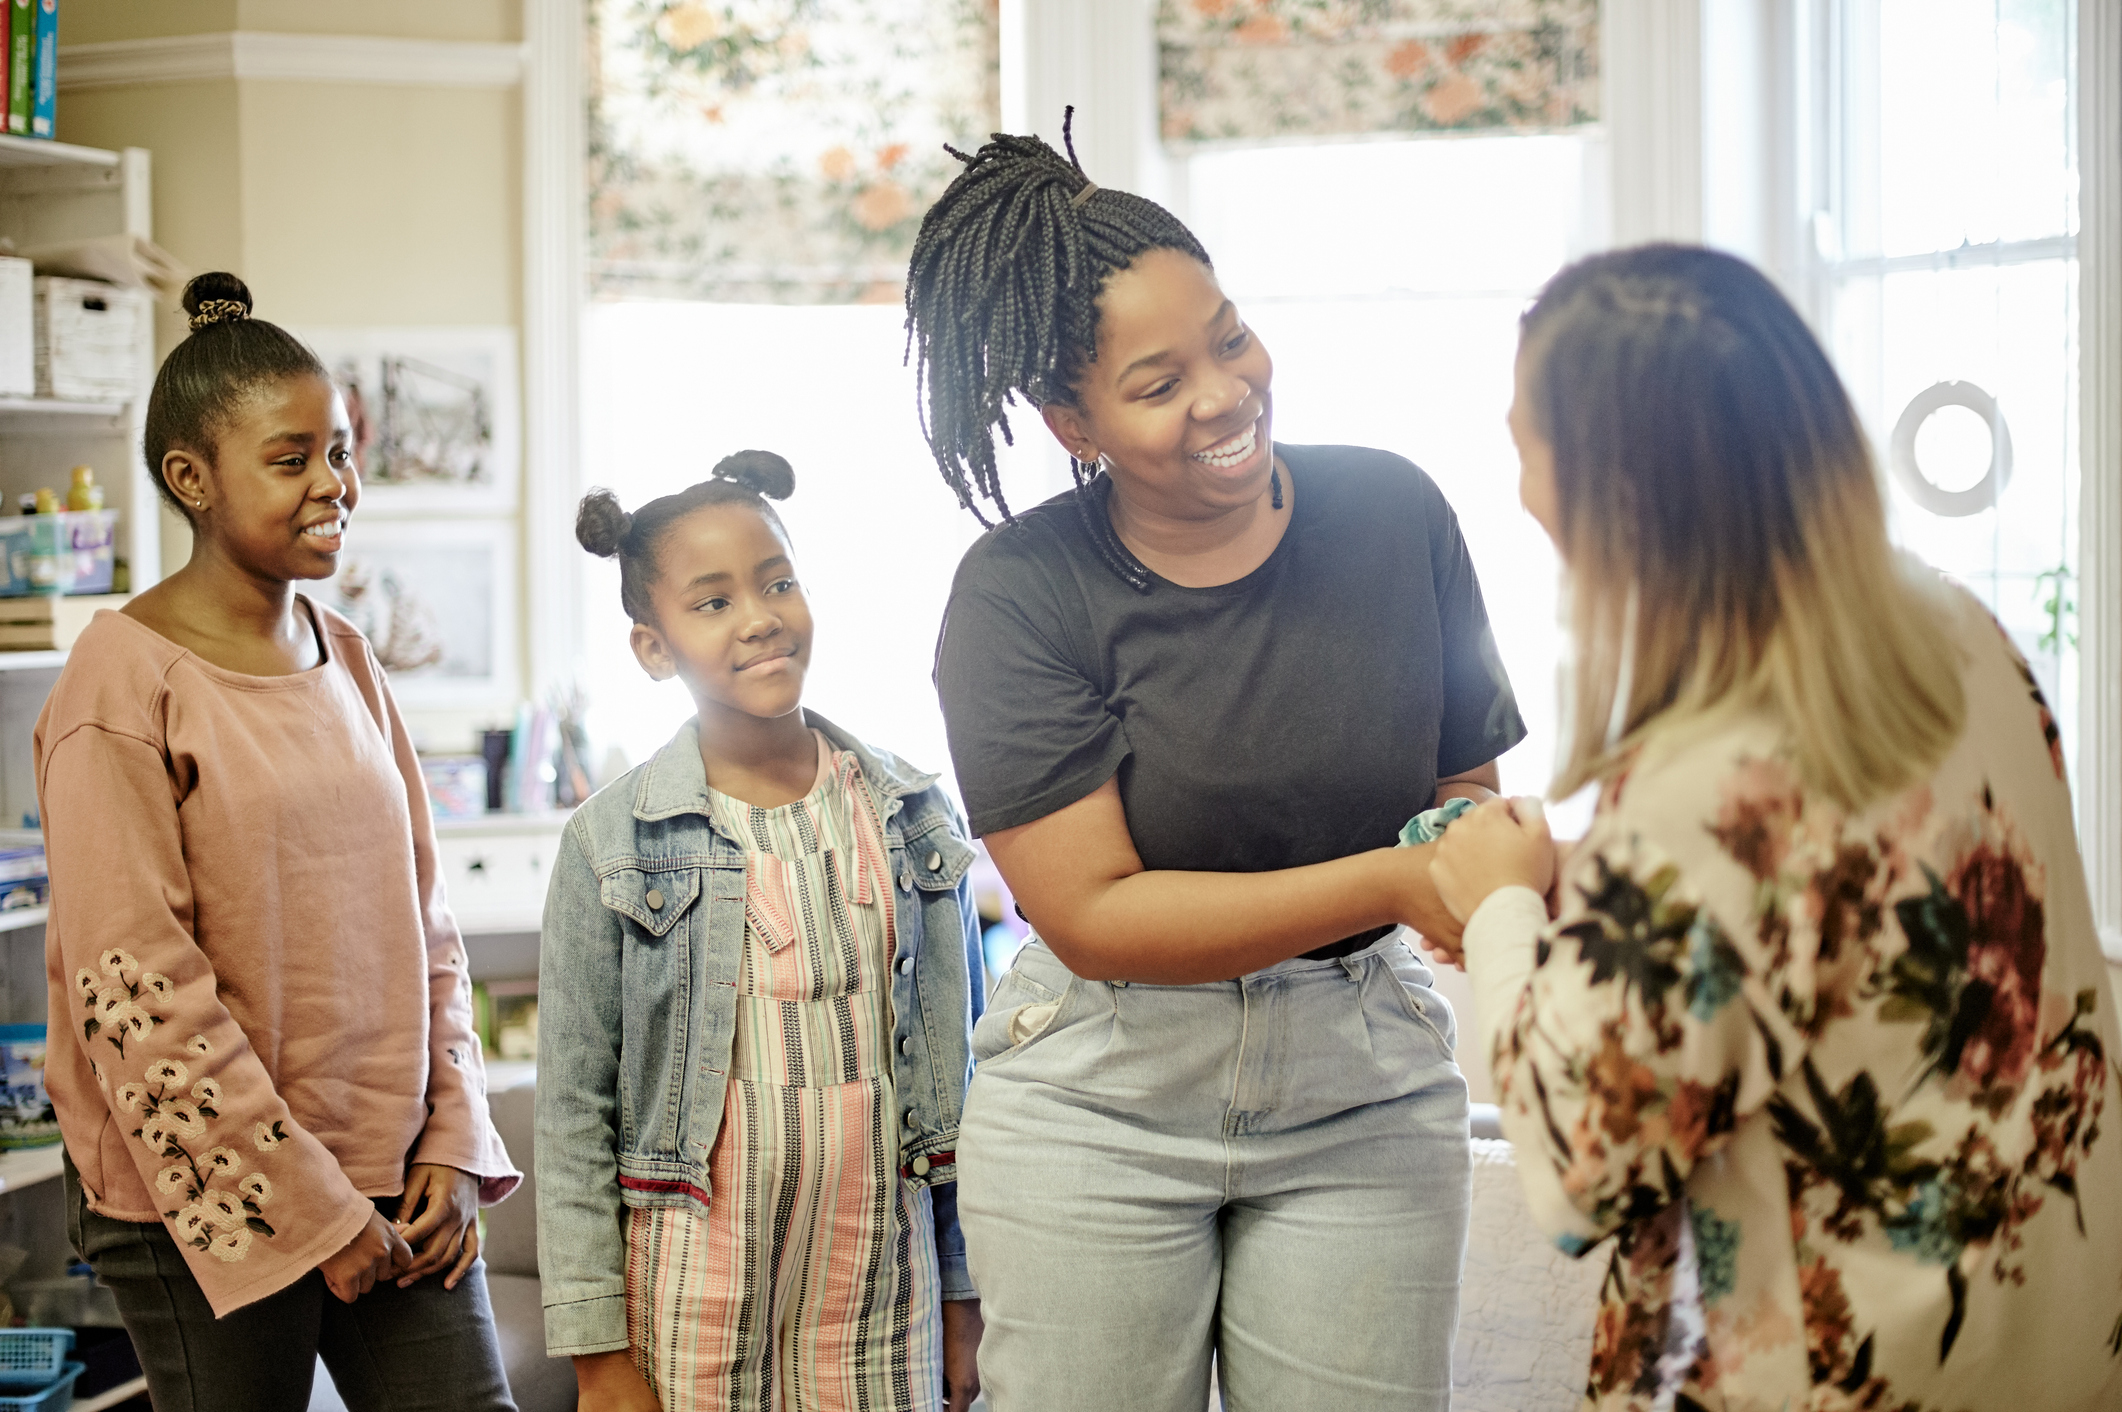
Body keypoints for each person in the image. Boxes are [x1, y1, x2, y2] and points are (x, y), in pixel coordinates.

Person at [1432, 244, 2122, 1412]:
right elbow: (1846, 889)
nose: (1518, 487)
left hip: (1836, 1362)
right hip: (2046, 1314)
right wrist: (1607, 889)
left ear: (1622, 493)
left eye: (1522, 446)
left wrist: (1501, 904)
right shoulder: (1952, 628)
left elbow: (1570, 1175)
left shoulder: (1705, 778)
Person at [906, 115, 1525, 1410]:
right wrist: (1397, 883)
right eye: (1156, 383)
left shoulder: (1394, 514)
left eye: (1229, 336)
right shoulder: (1017, 595)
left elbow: (1461, 785)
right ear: (1068, 417)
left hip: (1363, 1088)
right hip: (1100, 1099)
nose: (1225, 393)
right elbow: (1096, 915)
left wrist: (1465, 865)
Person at [36, 273, 521, 1411]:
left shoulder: (348, 655)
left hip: (398, 1176)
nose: (333, 484)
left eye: (341, 451)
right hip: (203, 1195)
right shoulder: (120, 683)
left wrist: (452, 1135)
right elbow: (136, 989)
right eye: (292, 457)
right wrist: (308, 1210)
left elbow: (427, 922)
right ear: (191, 479)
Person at [538, 453, 986, 1412]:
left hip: (879, 1276)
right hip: (695, 1281)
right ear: (653, 648)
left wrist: (963, 1290)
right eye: (712, 602)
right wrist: (595, 1353)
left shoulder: (910, 812)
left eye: (777, 581)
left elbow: (960, 1081)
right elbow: (573, 1108)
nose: (759, 615)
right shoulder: (610, 841)